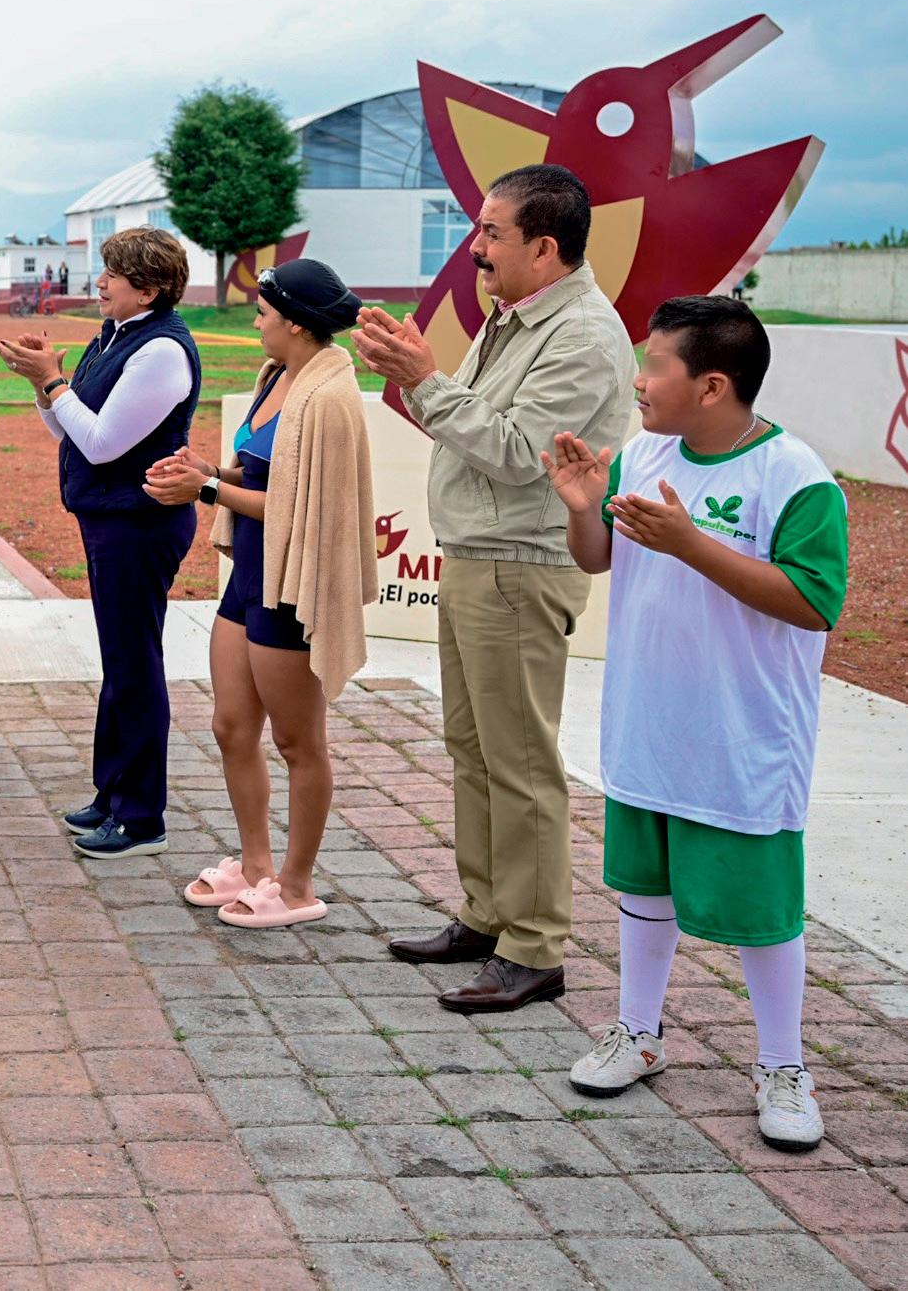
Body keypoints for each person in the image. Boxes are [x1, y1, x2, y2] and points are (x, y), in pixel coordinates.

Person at [549, 297, 846, 1149]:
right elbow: (598, 558)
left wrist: (692, 544)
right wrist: (582, 506)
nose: (638, 382)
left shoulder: (796, 476)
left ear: (713, 385)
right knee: (644, 888)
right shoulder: (641, 453)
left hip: (743, 739)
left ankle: (783, 1067)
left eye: (655, 366)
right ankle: (637, 1033)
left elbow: (815, 602)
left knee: (762, 909)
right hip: (649, 723)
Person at [355, 164, 630, 1012]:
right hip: (480, 556)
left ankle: (535, 945)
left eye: (490, 233)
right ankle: (488, 915)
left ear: (544, 249)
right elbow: (477, 430)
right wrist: (420, 376)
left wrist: (423, 378)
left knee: (520, 762)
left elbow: (516, 454)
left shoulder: (582, 337)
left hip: (519, 565)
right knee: (474, 748)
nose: (475, 249)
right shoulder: (517, 317)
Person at [144, 261, 376, 928]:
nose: (255, 322)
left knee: (300, 742)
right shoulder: (276, 376)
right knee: (231, 726)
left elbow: (300, 509)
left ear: (296, 323)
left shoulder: (329, 396)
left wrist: (206, 490)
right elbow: (260, 471)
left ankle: (297, 887)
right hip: (250, 575)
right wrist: (211, 470)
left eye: (264, 312)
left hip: (291, 584)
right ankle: (253, 866)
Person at [0, 227, 202, 861]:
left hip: (139, 523)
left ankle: (140, 819)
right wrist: (45, 383)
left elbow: (103, 444)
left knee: (134, 664)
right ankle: (113, 793)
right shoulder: (114, 336)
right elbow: (67, 429)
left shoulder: (160, 350)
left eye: (113, 273)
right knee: (121, 660)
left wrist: (55, 382)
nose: (101, 282)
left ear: (150, 289)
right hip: (112, 519)